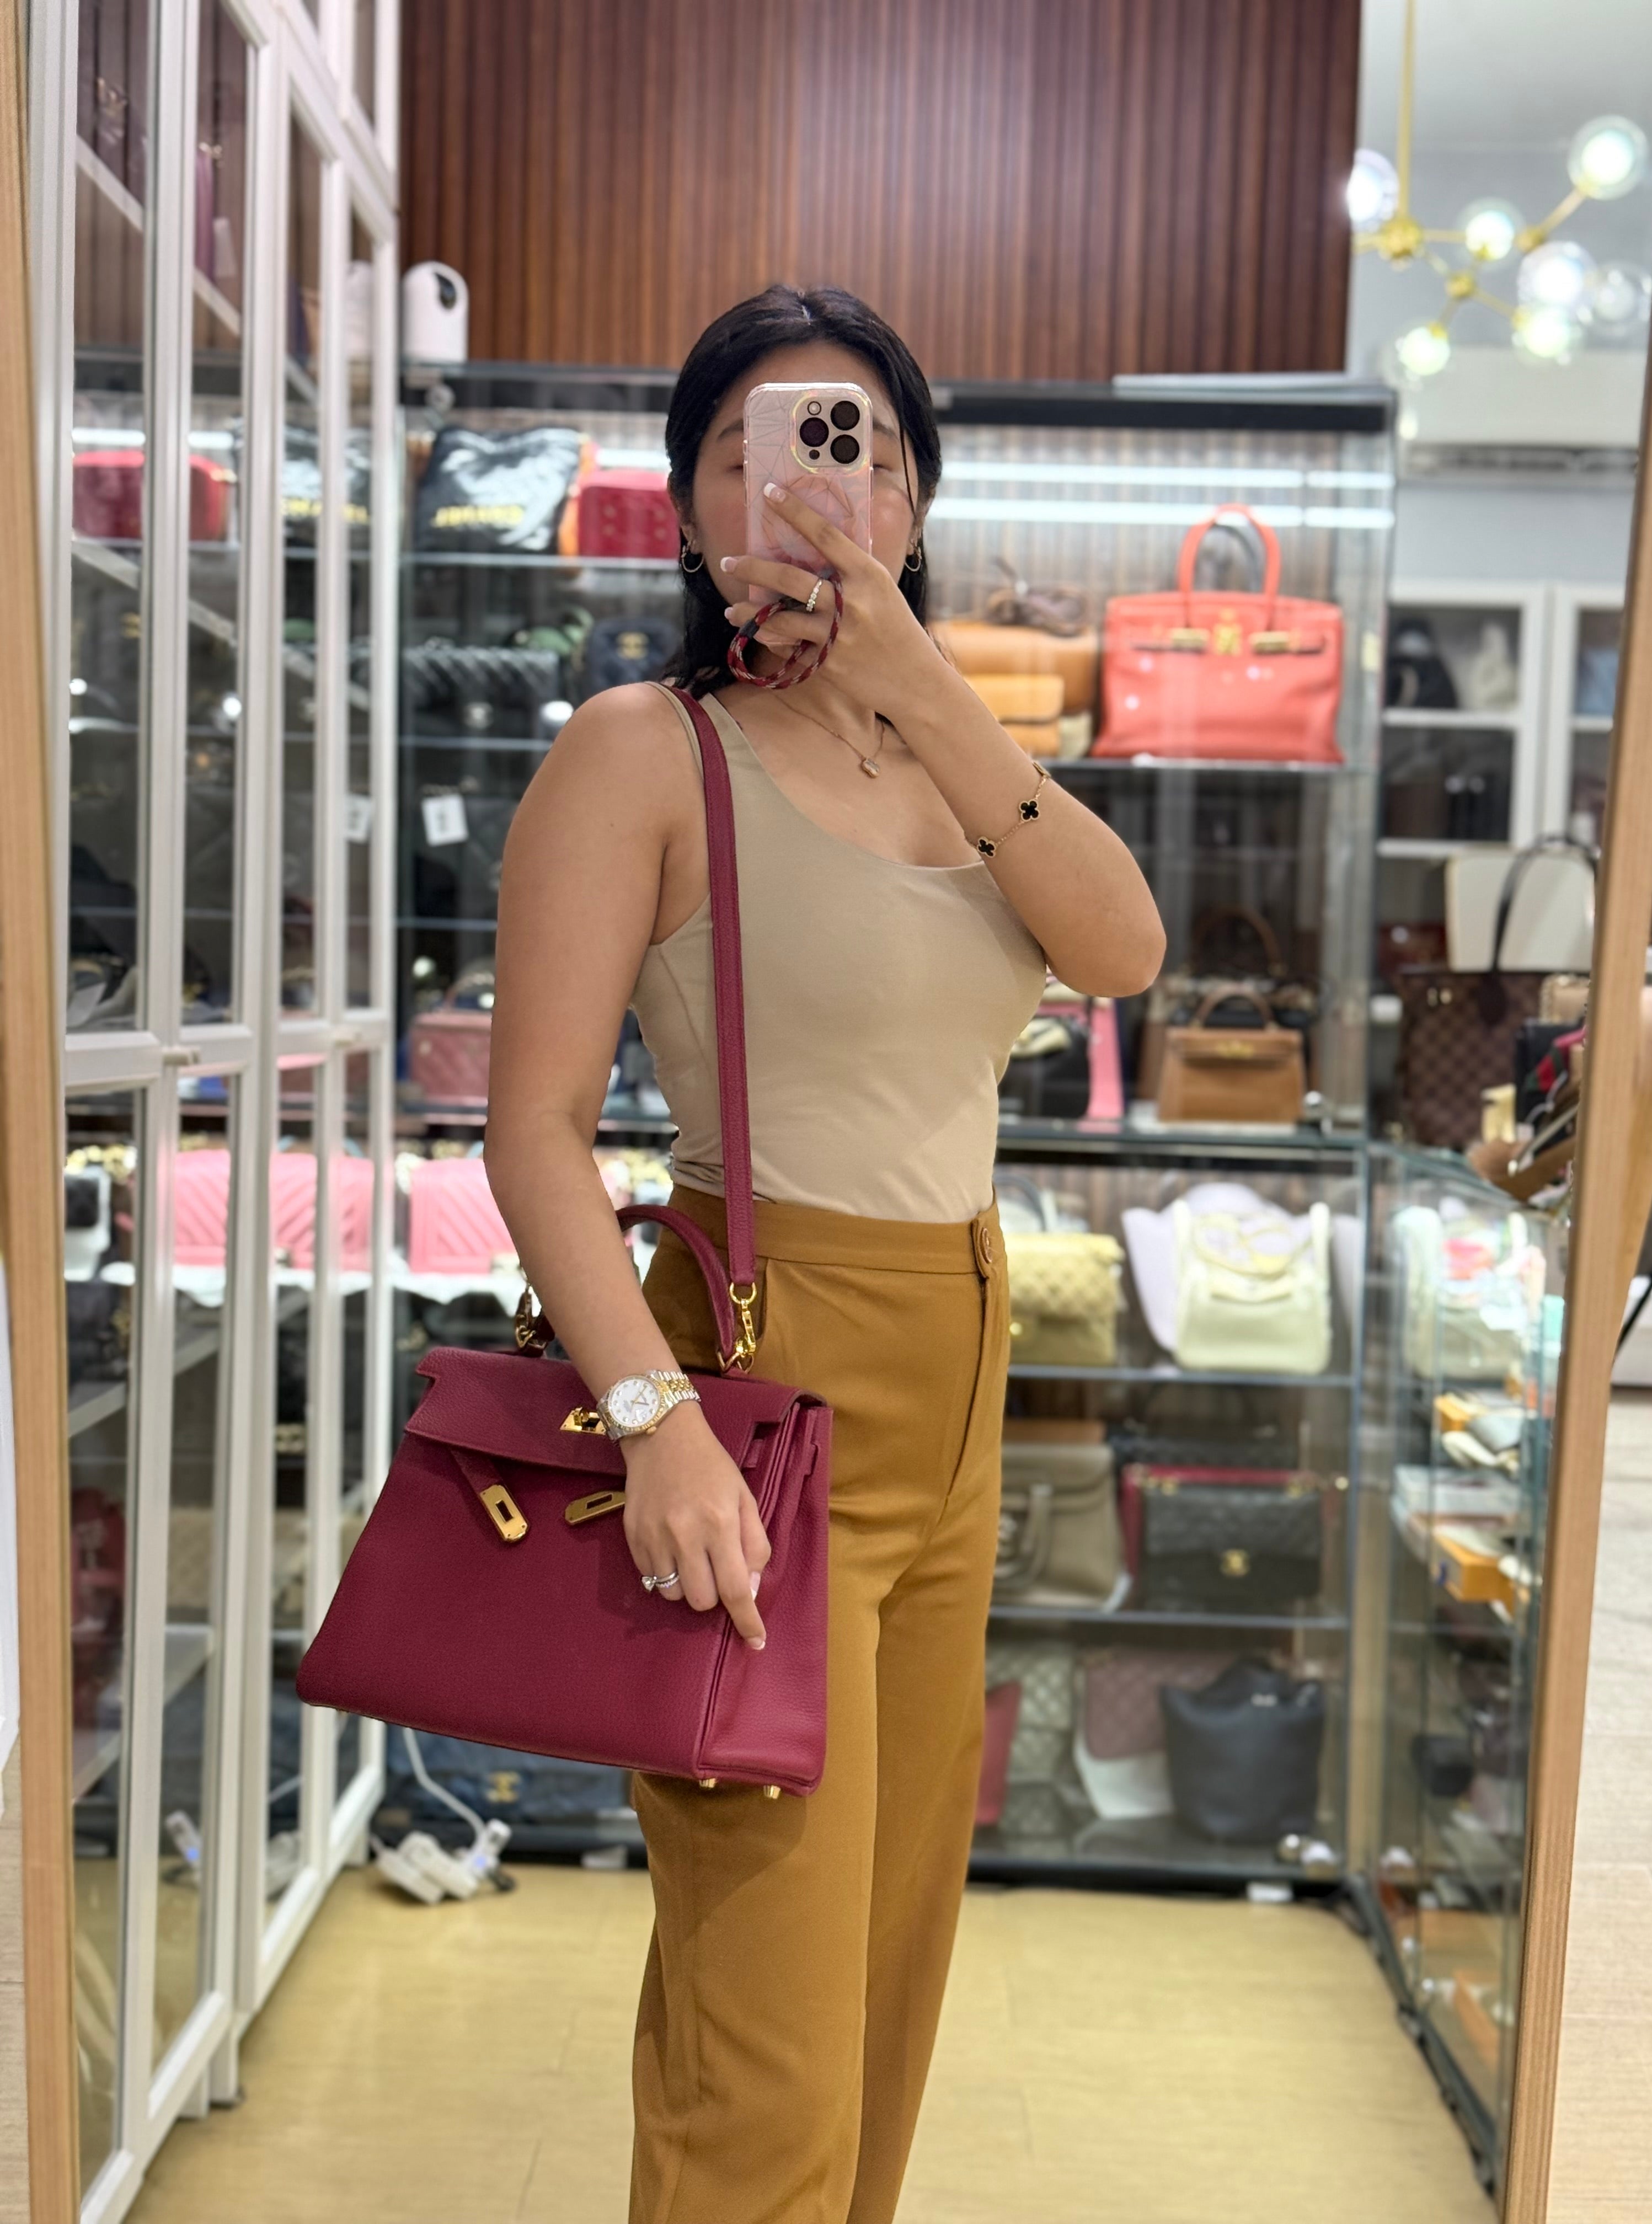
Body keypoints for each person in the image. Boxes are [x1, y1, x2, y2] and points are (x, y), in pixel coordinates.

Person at [485, 284, 1163, 2224]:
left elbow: (1122, 951)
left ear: (913, 492)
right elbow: (532, 1130)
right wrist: (654, 1423)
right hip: (757, 1393)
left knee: (880, 1995)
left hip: (958, 1398)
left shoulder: (962, 770)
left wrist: (921, 680)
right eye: (745, 449)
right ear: (692, 502)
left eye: (848, 444)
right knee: (764, 2044)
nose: (796, 484)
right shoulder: (645, 751)